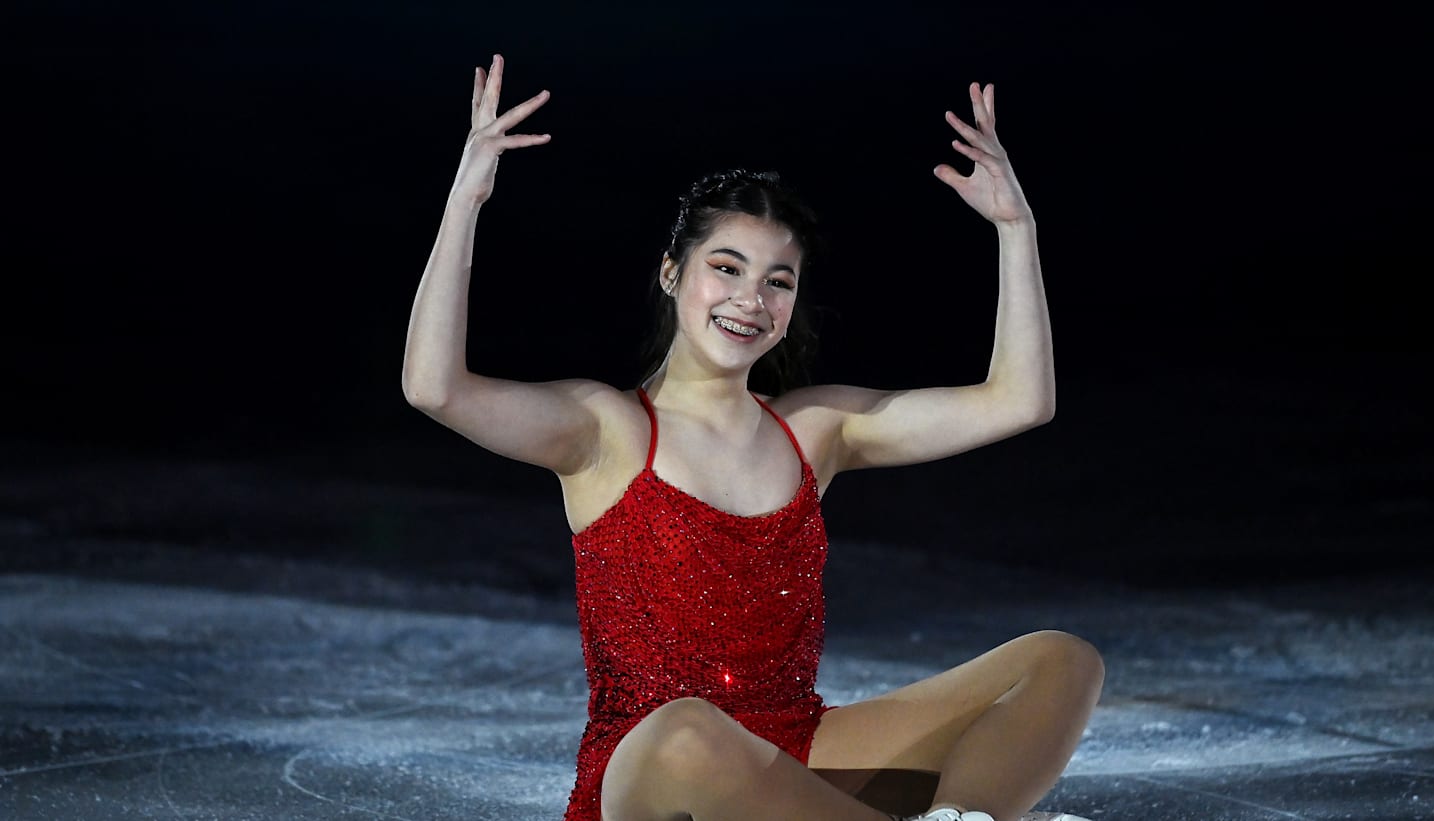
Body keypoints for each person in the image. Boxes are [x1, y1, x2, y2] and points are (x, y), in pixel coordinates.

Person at [402, 54, 1103, 821]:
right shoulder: (606, 429)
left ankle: (963, 817)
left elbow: (1020, 401)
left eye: (778, 280)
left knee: (1060, 659)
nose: (750, 299)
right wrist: (464, 200)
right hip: (657, 775)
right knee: (689, 730)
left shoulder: (814, 431)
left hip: (797, 753)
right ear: (672, 273)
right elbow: (435, 387)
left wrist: (1015, 230)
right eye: (727, 267)